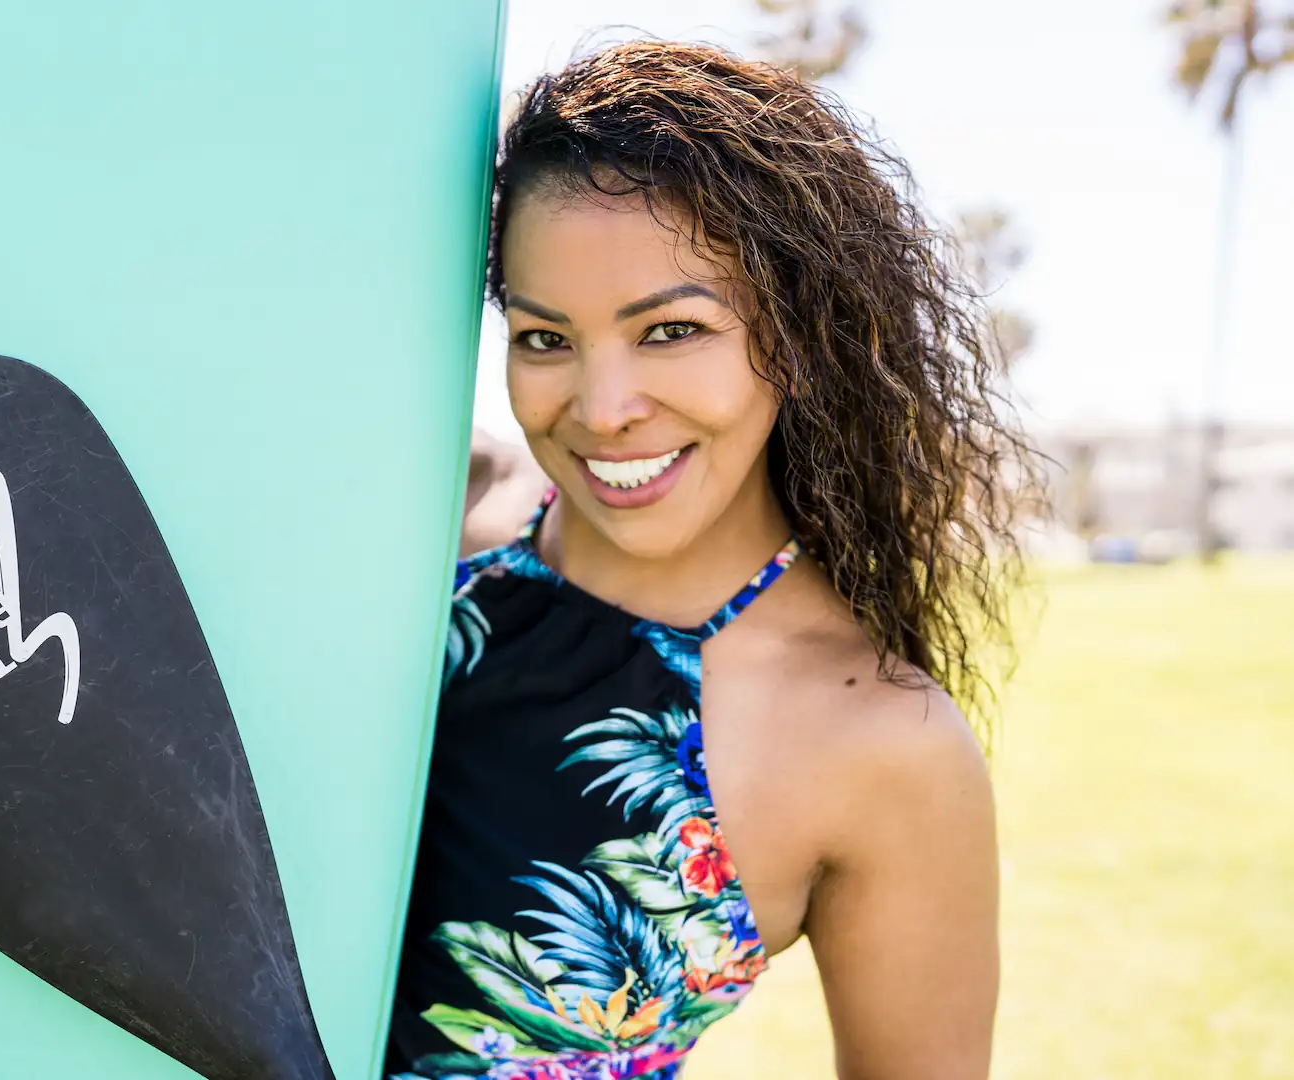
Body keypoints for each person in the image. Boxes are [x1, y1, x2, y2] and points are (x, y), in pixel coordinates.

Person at [385, 40, 1038, 1080]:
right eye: (545, 338)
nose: (601, 410)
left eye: (671, 330)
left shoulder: (878, 742)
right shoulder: (428, 523)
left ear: (801, 328)